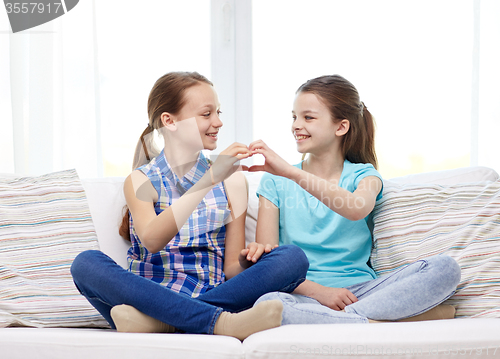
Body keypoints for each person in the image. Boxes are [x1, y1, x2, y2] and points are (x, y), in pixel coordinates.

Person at [70, 71, 309, 340]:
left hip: (211, 293)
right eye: (206, 114)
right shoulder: (140, 180)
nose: (218, 122)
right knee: (85, 264)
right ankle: (222, 323)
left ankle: (164, 323)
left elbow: (231, 268)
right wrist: (208, 180)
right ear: (169, 121)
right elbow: (151, 240)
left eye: (218, 112)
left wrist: (247, 260)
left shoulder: (233, 181)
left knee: (292, 259)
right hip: (148, 295)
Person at [248, 74, 461, 324]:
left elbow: (356, 208)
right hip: (303, 293)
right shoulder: (275, 181)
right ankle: (372, 323)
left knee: (446, 268)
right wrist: (321, 293)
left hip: (362, 292)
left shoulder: (365, 175)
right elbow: (271, 265)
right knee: (268, 304)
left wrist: (292, 172)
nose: (296, 125)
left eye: (308, 117)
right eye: (294, 116)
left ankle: (343, 320)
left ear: (341, 127)